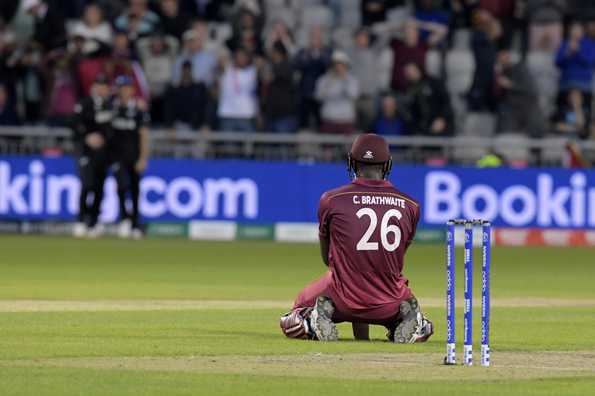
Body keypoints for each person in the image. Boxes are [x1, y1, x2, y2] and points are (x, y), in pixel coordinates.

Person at [280, 133, 434, 343]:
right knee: (425, 325)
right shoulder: (411, 206)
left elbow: (329, 259)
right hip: (389, 300)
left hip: (342, 299)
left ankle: (311, 321)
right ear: (387, 165)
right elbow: (388, 261)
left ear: (351, 162)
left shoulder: (332, 200)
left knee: (295, 312)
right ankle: (410, 322)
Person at [71, 75, 113, 238]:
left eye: (105, 86)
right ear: (94, 87)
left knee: (99, 188)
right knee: (86, 185)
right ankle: (81, 220)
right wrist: (87, 138)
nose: (102, 89)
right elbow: (73, 124)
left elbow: (113, 130)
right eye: (99, 85)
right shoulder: (85, 104)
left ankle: (94, 221)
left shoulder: (110, 106)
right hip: (86, 152)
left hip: (103, 154)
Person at [110, 75, 150, 239]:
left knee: (134, 190)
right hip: (117, 156)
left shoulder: (138, 111)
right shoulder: (112, 108)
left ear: (132, 90)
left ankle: (135, 223)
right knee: (120, 187)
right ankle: (124, 219)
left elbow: (144, 135)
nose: (124, 91)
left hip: (134, 156)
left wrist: (143, 158)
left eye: (126, 88)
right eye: (121, 88)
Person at [315, 51, 360, 134]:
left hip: (346, 120)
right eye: (335, 64)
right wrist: (330, 82)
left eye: (341, 64)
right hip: (329, 120)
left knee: (348, 147)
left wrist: (344, 80)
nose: (338, 67)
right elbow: (318, 97)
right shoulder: (323, 79)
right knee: (327, 146)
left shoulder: (352, 80)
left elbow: (353, 96)